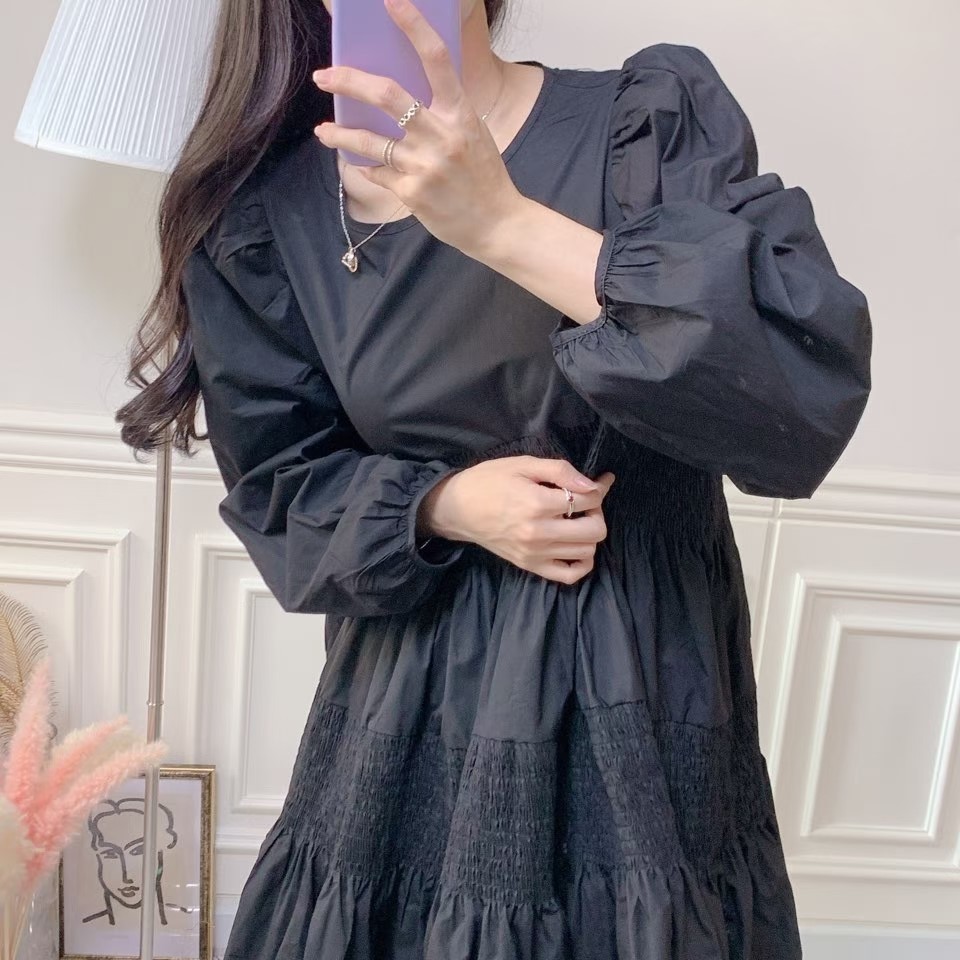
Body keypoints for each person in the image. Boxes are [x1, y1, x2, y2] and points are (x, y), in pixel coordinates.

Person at [116, 0, 873, 957]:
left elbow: (799, 400)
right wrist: (444, 506)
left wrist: (502, 223)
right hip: (413, 721)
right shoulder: (269, 218)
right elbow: (282, 489)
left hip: (647, 693)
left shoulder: (648, 124)